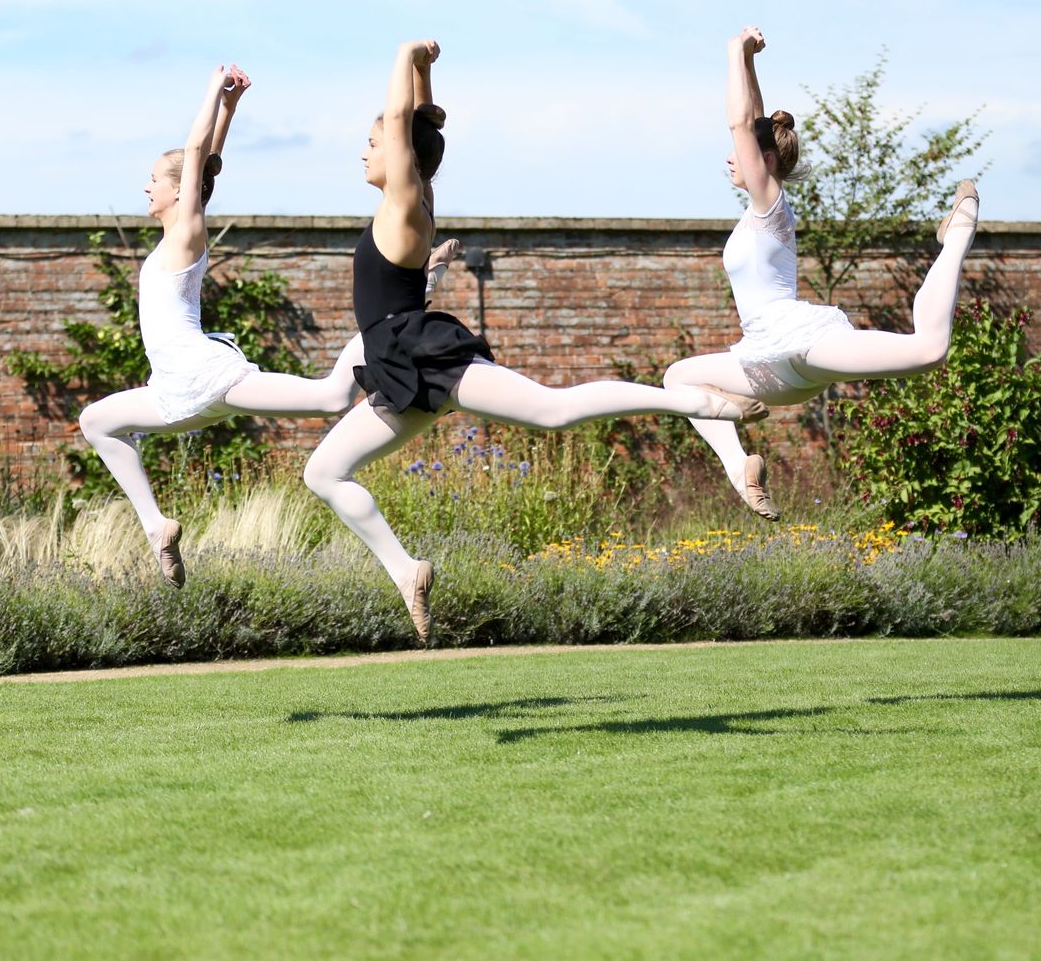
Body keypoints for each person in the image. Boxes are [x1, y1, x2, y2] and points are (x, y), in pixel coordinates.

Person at [301, 39, 768, 642]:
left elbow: (401, 122)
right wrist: (423, 73)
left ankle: (703, 403)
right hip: (397, 370)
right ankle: (407, 571)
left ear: (400, 156)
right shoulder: (414, 195)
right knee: (324, 472)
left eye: (373, 143)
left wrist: (404, 54)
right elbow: (415, 124)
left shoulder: (405, 201)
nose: (365, 151)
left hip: (422, 355)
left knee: (554, 409)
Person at [76, 65, 459, 588]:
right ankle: (156, 526)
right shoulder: (174, 234)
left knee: (330, 396)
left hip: (206, 376)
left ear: (178, 191)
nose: (146, 186)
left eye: (154, 180)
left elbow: (197, 155)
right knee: (97, 421)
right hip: (172, 389)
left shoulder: (186, 233)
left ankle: (413, 298)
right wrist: (229, 110)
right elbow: (206, 162)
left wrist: (212, 91)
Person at [662, 26, 980, 520]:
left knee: (929, 350)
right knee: (678, 377)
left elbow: (742, 123)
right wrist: (750, 63)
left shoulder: (771, 205)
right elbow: (753, 121)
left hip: (801, 347)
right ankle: (741, 467)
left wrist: (732, 52)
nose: (729, 157)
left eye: (740, 152)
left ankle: (957, 233)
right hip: (766, 364)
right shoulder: (755, 210)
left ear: (765, 162)